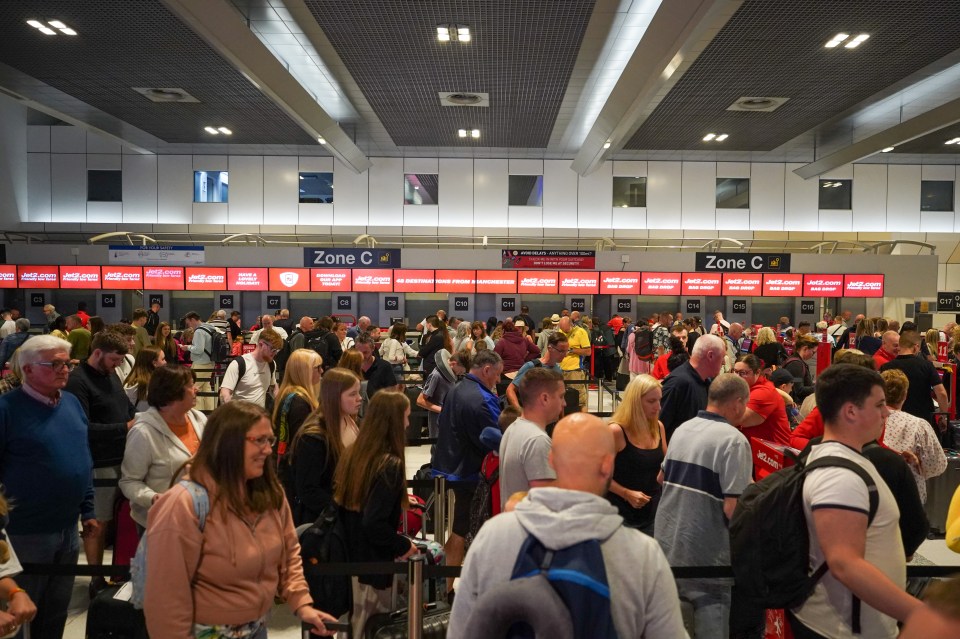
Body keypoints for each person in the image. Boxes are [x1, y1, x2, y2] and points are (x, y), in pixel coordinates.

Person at [449, 413, 685, 638]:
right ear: (608, 465)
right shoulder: (642, 555)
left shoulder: (494, 536)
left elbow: (461, 629)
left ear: (551, 459)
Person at [144, 401, 337, 636]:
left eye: (270, 440)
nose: (268, 450)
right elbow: (164, 598)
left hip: (255, 628)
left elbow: (288, 555)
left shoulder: (270, 494)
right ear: (227, 444)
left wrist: (302, 604)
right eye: (259, 440)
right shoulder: (183, 505)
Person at [789, 364, 922, 638]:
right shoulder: (840, 477)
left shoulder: (832, 455)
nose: (886, 413)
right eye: (880, 404)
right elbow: (844, 563)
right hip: (841, 629)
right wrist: (921, 615)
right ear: (851, 411)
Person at [0, 335, 97, 638]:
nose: (64, 369)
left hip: (68, 530)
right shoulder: (7, 410)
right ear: (27, 370)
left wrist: (88, 509)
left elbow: (83, 459)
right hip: (24, 532)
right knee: (22, 614)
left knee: (55, 612)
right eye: (54, 364)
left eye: (67, 363)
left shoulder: (71, 403)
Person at [655, 373, 753, 639]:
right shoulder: (734, 441)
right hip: (708, 564)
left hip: (670, 553)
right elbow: (734, 510)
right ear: (737, 403)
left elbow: (661, 478)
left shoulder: (682, 430)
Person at [333, 391, 417, 636]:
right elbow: (374, 523)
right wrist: (402, 544)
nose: (409, 424)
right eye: (406, 417)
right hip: (372, 563)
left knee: (353, 626)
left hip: (350, 558)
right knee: (369, 627)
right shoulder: (389, 464)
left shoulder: (354, 453)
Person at [64, 330, 136, 596]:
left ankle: (114, 572)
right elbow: (81, 427)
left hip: (122, 455)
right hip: (98, 460)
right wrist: (126, 427)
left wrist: (133, 422)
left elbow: (124, 407)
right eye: (115, 360)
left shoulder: (110, 375)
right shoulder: (78, 382)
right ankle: (95, 577)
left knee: (116, 518)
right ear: (97, 353)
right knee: (98, 520)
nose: (118, 365)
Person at [432, 350, 504, 593]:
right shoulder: (481, 399)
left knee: (460, 528)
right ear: (486, 370)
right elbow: (497, 438)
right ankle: (464, 590)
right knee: (468, 531)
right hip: (470, 472)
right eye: (497, 375)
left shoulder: (456, 388)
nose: (498, 380)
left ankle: (447, 588)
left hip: (451, 467)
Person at [120, 365, 205, 530]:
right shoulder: (144, 432)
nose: (196, 389)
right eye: (190, 385)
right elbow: (129, 481)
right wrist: (154, 498)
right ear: (173, 393)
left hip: (197, 515)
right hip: (158, 522)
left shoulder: (199, 419)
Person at [287, 367, 362, 525]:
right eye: (352, 394)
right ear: (334, 396)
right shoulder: (313, 437)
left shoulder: (350, 422)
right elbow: (308, 490)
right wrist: (343, 509)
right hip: (322, 522)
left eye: (358, 392)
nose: (359, 398)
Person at [607, 374, 667, 536]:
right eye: (651, 401)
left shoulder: (658, 427)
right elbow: (598, 475)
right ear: (635, 402)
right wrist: (626, 493)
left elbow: (665, 467)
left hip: (652, 514)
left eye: (659, 400)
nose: (658, 407)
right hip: (620, 515)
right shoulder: (616, 431)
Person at [498, 367, 565, 510]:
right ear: (545, 398)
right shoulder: (537, 440)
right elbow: (546, 503)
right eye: (561, 396)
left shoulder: (513, 428)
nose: (564, 403)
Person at [880, 369, 947, 503]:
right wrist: (920, 468)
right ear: (905, 394)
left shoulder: (867, 420)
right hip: (909, 497)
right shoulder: (918, 425)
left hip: (874, 494)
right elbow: (937, 464)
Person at [659, 334, 725, 441]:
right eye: (722, 357)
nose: (724, 362)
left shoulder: (706, 381)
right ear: (710, 356)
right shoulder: (678, 383)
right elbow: (656, 427)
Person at [879, 330, 950, 425]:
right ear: (916, 347)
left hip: (894, 419)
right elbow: (941, 393)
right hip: (923, 418)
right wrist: (943, 416)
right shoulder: (927, 365)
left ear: (900, 345)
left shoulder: (886, 367)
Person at [271, 348, 322, 460]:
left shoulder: (291, 396)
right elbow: (301, 443)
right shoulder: (298, 402)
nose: (321, 371)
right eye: (317, 368)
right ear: (305, 371)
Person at [733, 353, 791, 446]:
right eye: (735, 371)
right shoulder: (744, 388)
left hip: (774, 454)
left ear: (757, 372)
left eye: (743, 373)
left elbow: (738, 420)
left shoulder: (764, 392)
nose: (737, 377)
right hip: (756, 450)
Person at [219, 328, 281, 408]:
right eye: (273, 349)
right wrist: (230, 412)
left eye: (277, 351)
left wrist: (278, 399)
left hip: (259, 417)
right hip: (240, 417)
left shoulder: (271, 364)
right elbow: (224, 392)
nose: (275, 353)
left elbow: (273, 385)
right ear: (261, 344)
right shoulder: (239, 364)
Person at [417, 349, 471, 440]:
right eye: (461, 371)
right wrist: (443, 410)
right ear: (453, 363)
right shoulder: (436, 375)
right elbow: (420, 400)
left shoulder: (451, 375)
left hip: (448, 420)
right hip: (437, 422)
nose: (460, 374)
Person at [505, 332, 567, 409]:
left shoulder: (558, 370)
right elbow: (510, 390)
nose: (565, 355)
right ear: (550, 349)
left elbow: (560, 399)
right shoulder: (530, 366)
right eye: (561, 351)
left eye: (567, 351)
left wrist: (560, 419)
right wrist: (520, 413)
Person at [181, 311, 218, 411]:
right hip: (210, 362)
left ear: (193, 320)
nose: (189, 326)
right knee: (206, 388)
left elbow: (198, 349)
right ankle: (210, 410)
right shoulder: (210, 327)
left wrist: (187, 347)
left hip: (201, 363)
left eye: (188, 323)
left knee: (196, 388)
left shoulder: (199, 331)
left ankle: (198, 412)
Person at [557, 316, 591, 411]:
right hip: (560, 369)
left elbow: (588, 351)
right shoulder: (560, 331)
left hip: (575, 370)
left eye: (566, 330)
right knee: (561, 398)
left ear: (571, 324)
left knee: (580, 399)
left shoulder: (581, 332)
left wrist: (571, 350)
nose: (564, 332)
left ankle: (583, 422)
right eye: (562, 329)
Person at [122, 345, 167, 411]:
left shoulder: (132, 383)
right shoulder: (145, 385)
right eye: (163, 359)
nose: (165, 362)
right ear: (154, 363)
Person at [354, 332, 398, 399]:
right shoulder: (352, 366)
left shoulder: (384, 366)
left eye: (365, 352)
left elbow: (392, 392)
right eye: (358, 352)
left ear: (373, 348)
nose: (362, 356)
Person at [784, 334, 818, 402]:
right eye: (813, 352)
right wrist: (818, 388)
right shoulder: (796, 365)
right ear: (805, 348)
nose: (813, 355)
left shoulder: (795, 361)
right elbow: (799, 390)